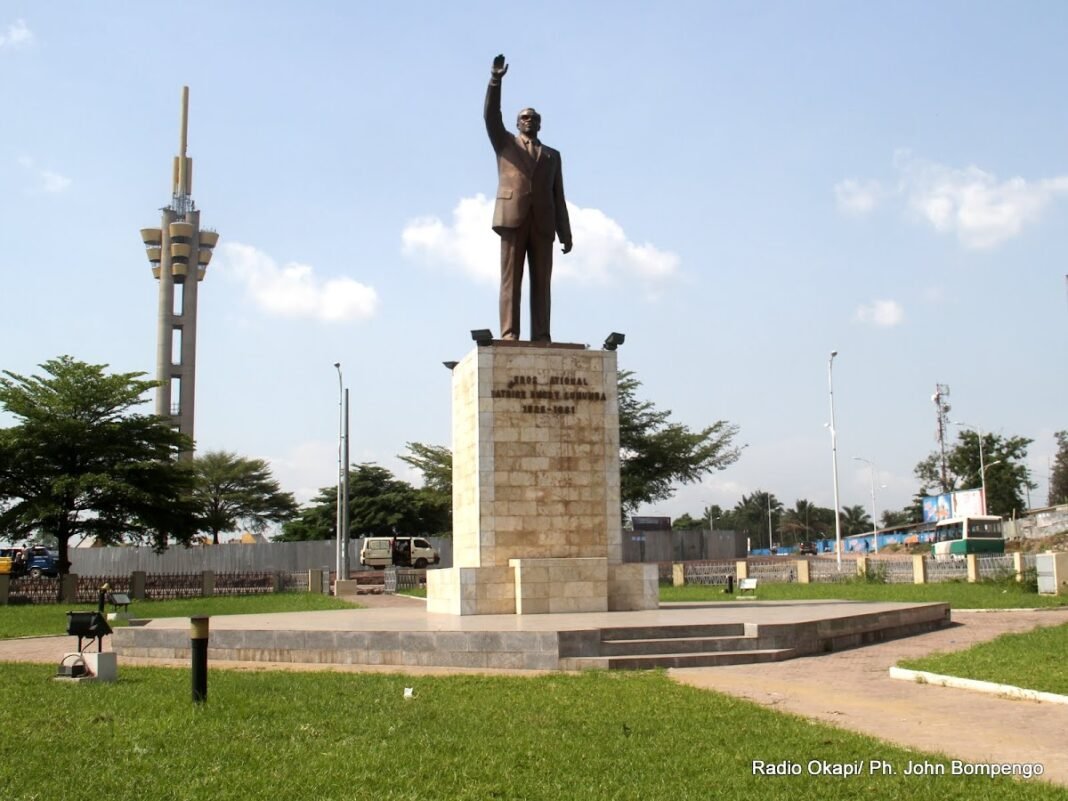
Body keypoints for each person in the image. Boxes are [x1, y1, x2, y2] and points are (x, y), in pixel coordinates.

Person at [484, 54, 572, 342]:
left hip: (544, 222)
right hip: (513, 217)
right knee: (511, 281)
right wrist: (495, 80)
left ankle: (542, 334)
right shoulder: (505, 143)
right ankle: (509, 334)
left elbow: (558, 196)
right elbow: (490, 115)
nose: (528, 121)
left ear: (540, 124)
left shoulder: (552, 156)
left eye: (533, 118)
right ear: (517, 123)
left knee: (542, 284)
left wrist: (565, 232)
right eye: (524, 118)